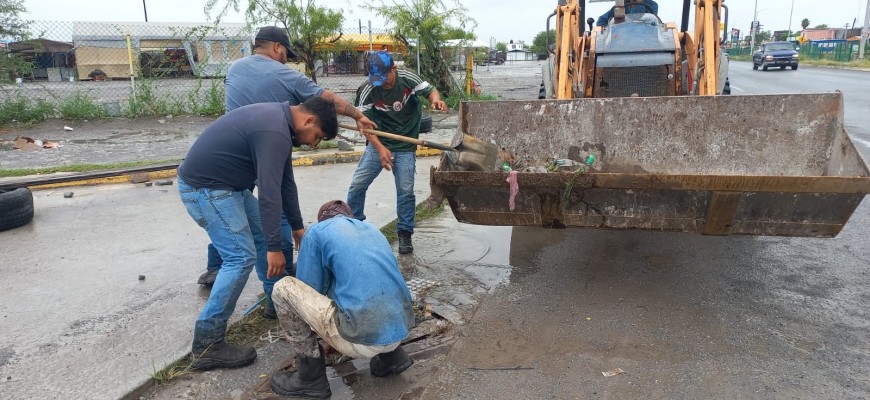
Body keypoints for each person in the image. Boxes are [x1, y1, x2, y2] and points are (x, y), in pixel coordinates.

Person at [198, 26, 380, 316]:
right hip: (254, 152)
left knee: (237, 219)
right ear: (277, 48)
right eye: (285, 54)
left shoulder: (234, 69)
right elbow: (326, 99)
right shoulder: (282, 76)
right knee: (263, 227)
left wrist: (298, 227)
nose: (285, 59)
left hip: (236, 159)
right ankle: (276, 287)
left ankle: (224, 269)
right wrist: (358, 114)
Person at [177, 97, 338, 370]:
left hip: (229, 188)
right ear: (309, 120)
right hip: (206, 190)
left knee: (265, 236)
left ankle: (278, 303)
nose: (313, 143)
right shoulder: (275, 131)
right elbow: (269, 193)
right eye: (317, 136)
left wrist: (297, 227)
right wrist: (275, 247)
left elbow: (285, 182)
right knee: (240, 258)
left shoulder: (281, 125)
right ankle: (207, 345)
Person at [269, 200, 415, 398]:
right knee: (366, 283)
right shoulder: (371, 230)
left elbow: (308, 290)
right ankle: (392, 357)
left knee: (283, 288)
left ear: (323, 219)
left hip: (361, 340)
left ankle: (310, 377)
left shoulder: (316, 232)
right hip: (400, 330)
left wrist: (320, 330)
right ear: (349, 217)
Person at [347, 51, 446, 255]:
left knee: (405, 191)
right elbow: (363, 125)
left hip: (405, 145)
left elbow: (431, 91)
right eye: (377, 79)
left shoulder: (408, 79)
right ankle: (354, 227)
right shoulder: (367, 89)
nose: (381, 83)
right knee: (357, 185)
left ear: (394, 69)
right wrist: (381, 148)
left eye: (384, 77)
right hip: (378, 143)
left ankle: (405, 233)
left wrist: (436, 100)